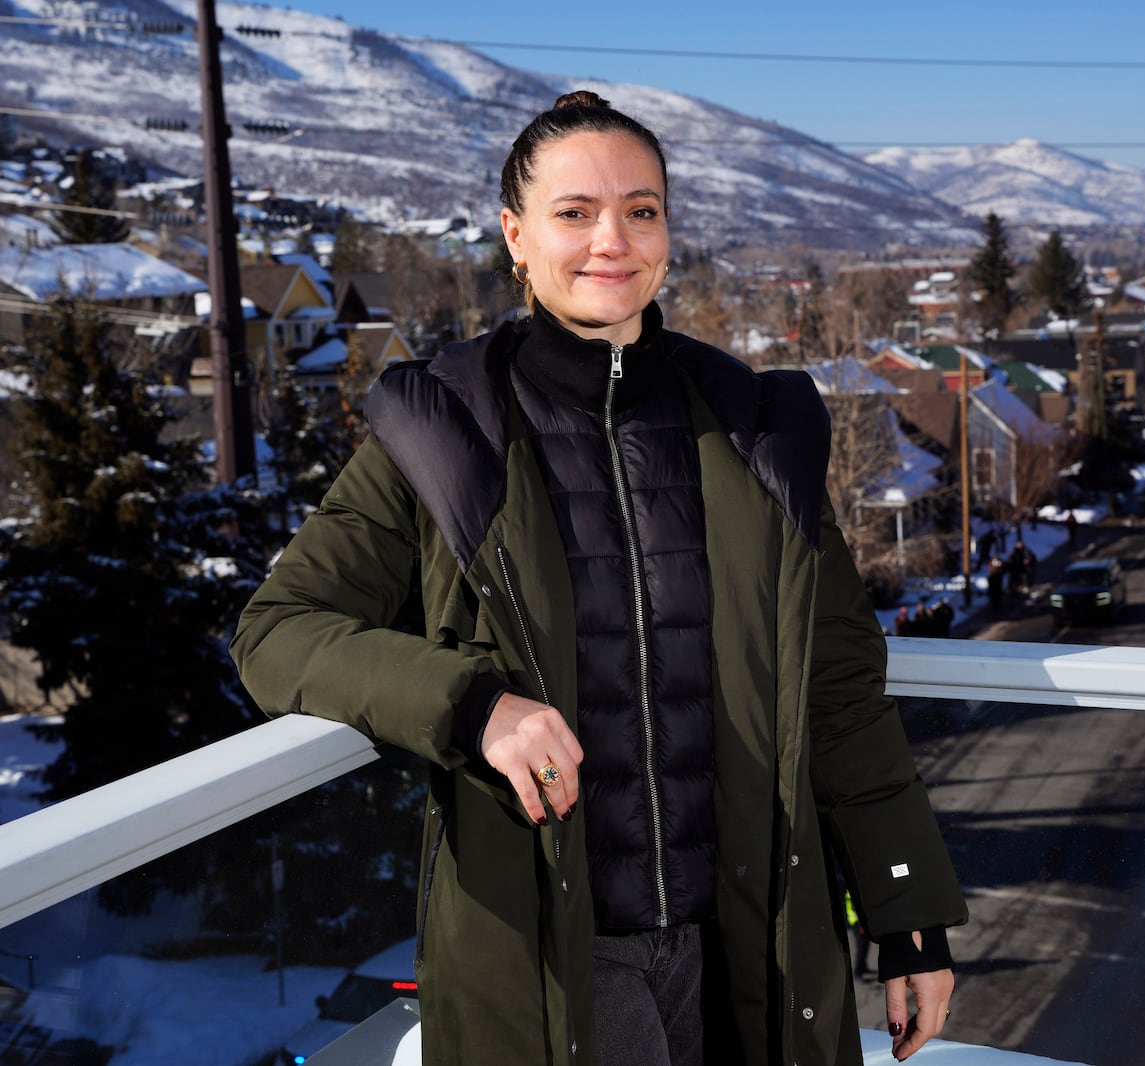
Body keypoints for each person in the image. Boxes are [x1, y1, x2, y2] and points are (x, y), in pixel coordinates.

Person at [231, 91, 966, 1066]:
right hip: (553, 951)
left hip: (751, 939)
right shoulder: (445, 431)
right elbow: (277, 633)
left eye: (642, 209)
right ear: (515, 237)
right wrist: (473, 704)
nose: (611, 238)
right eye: (574, 212)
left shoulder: (752, 428)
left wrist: (908, 910)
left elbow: (835, 687)